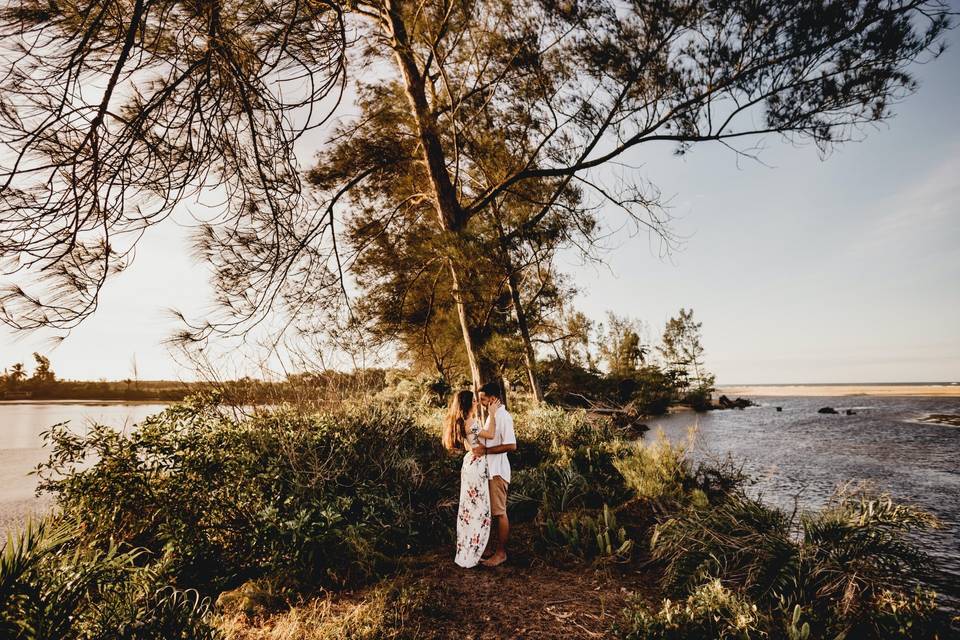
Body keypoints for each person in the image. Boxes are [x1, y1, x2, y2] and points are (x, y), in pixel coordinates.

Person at [443, 389, 497, 568]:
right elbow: (490, 435)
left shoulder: (460, 422)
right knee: (479, 509)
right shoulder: (472, 422)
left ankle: (469, 549)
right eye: (473, 401)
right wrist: (492, 414)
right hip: (477, 464)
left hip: (468, 464)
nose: (476, 403)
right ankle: (476, 550)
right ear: (467, 404)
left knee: (468, 509)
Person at [473, 381, 516, 567]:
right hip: (489, 472)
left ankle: (501, 553)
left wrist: (487, 452)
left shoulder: (503, 417)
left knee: (500, 513)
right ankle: (492, 548)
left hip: (498, 472)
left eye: (483, 398)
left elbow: (511, 445)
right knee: (490, 512)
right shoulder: (492, 416)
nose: (481, 402)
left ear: (492, 398)